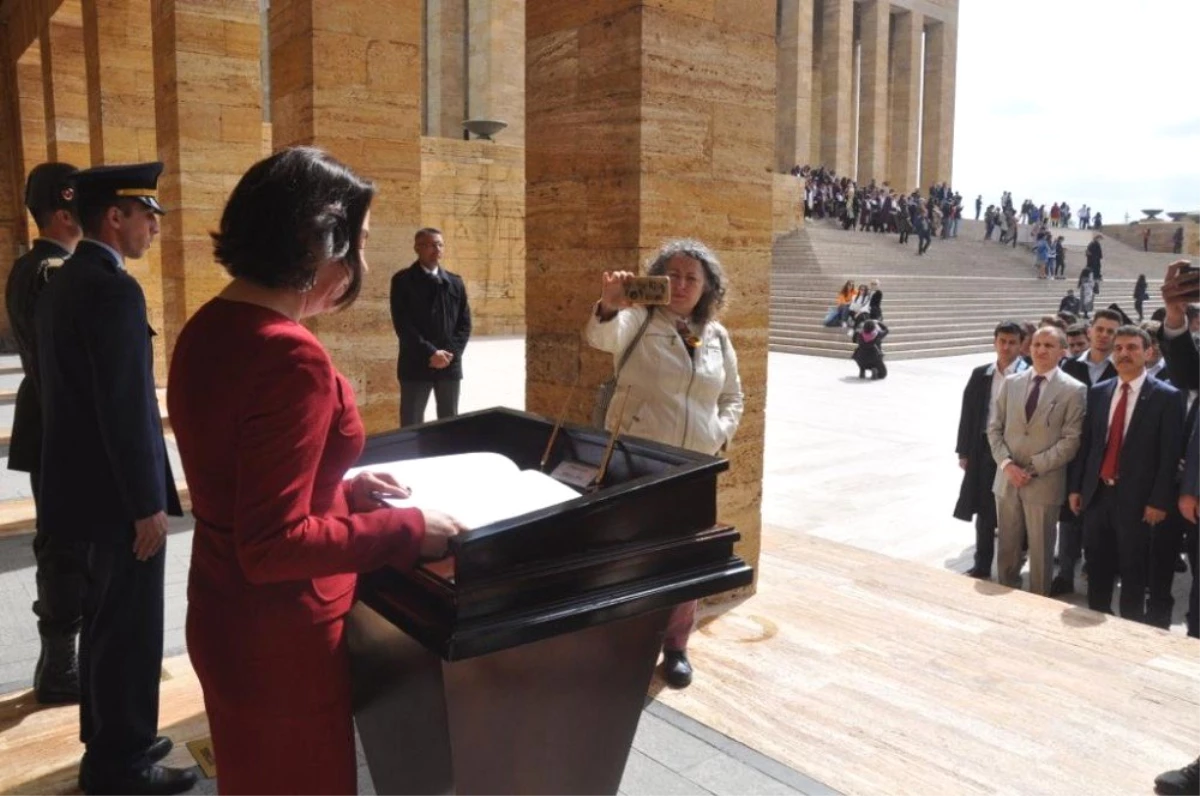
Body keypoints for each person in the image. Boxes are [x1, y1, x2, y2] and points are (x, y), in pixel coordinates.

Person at [168, 147, 465, 796]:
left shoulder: (209, 326)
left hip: (223, 612)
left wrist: (344, 491)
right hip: (279, 636)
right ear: (318, 241)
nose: (358, 260)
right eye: (356, 242)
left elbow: (239, 474)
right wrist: (408, 530)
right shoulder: (288, 356)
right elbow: (273, 546)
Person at [35, 163, 194, 795]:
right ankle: (120, 764)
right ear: (115, 218)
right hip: (117, 500)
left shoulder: (65, 280)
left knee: (105, 620)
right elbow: (124, 405)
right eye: (145, 215)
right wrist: (145, 504)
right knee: (129, 628)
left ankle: (110, 733)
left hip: (83, 493)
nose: (154, 227)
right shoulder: (111, 289)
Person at [585, 239, 744, 689]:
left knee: (687, 559)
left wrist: (720, 432)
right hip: (640, 460)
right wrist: (610, 305)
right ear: (655, 279)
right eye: (672, 274)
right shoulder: (636, 320)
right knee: (634, 555)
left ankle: (676, 645)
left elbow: (734, 395)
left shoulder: (716, 334)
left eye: (692, 277)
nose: (681, 284)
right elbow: (600, 336)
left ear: (707, 287)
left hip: (695, 464)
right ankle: (624, 643)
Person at [5, 162, 85, 704]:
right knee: (64, 546)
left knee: (58, 541)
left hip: (44, 421)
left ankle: (58, 664)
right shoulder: (56, 272)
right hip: (62, 428)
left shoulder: (26, 265)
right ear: (63, 212)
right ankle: (59, 670)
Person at [1068, 325, 1182, 625]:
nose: (1123, 354)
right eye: (1118, 348)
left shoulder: (1167, 397)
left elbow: (1169, 456)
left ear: (1148, 352)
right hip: (1098, 496)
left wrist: (1159, 500)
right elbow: (1089, 445)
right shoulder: (1099, 392)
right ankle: (1095, 620)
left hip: (1139, 501)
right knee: (1097, 567)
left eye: (1132, 348)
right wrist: (1078, 488)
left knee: (1133, 571)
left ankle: (1129, 630)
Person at [987, 326, 1086, 595]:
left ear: (1062, 352)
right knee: (1007, 547)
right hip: (1007, 480)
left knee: (1041, 551)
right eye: (1037, 344)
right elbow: (994, 428)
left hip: (1044, 482)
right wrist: (1007, 465)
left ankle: (1039, 601)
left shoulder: (1074, 390)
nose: (1041, 350)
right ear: (1028, 348)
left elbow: (1070, 440)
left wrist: (1031, 468)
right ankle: (1004, 593)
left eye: (1049, 346)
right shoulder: (1011, 383)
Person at [955, 322, 1027, 578]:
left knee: (1014, 512)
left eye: (1012, 342)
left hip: (1016, 453)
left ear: (1021, 345)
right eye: (1002, 341)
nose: (1006, 347)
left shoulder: (1028, 375)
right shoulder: (981, 374)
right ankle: (982, 563)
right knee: (984, 510)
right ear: (995, 342)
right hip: (984, 450)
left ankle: (1012, 566)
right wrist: (964, 451)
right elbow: (968, 414)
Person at [389, 228, 472, 427]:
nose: (436, 249)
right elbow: (403, 325)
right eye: (430, 244)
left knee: (449, 424)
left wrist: (449, 354)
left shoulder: (455, 282)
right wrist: (430, 353)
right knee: (411, 423)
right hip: (416, 364)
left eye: (440, 244)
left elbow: (464, 323)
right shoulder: (403, 281)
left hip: (449, 365)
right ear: (417, 248)